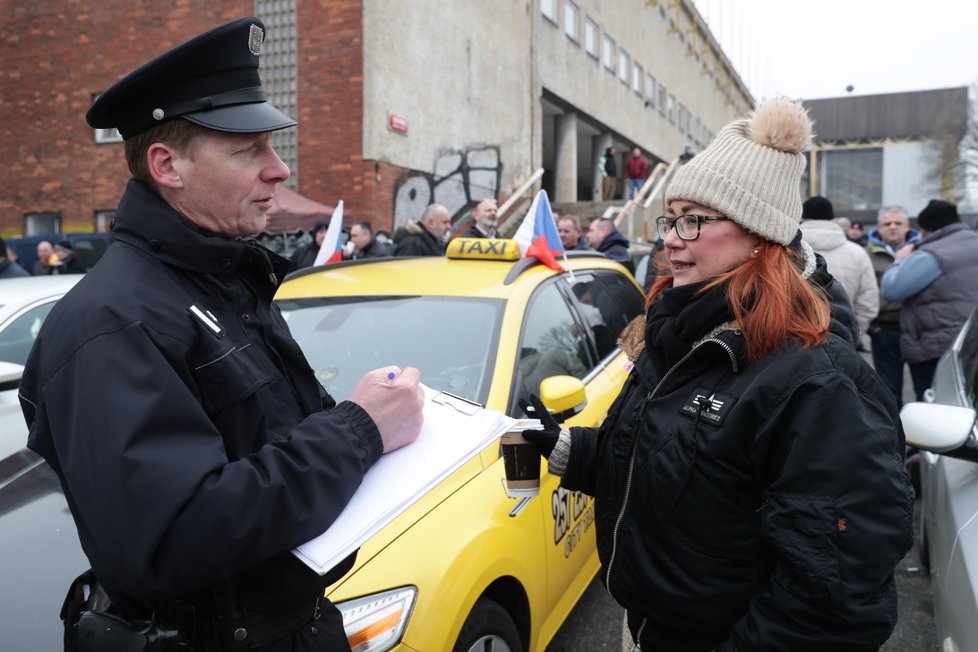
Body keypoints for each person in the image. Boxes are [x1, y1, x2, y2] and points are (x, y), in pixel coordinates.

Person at [19, 17, 424, 651]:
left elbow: (269, 447)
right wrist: (359, 429)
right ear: (167, 165)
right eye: (249, 150)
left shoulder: (223, 281)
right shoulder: (112, 323)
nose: (279, 169)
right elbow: (177, 534)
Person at [521, 98, 913, 651]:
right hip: (646, 629)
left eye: (693, 219)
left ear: (759, 234)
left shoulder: (816, 382)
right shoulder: (675, 333)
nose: (670, 238)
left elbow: (833, 604)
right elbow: (675, 469)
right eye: (670, 218)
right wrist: (567, 449)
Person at [881, 198, 978, 400]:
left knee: (935, 408)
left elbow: (892, 289)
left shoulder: (931, 254)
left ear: (927, 229)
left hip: (938, 347)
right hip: (970, 342)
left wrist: (900, 261)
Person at [799, 195, 878, 347]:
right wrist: (851, 334)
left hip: (791, 344)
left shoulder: (783, 251)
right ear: (832, 218)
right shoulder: (858, 253)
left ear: (802, 216)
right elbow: (869, 301)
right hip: (843, 342)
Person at [866, 205, 920, 407]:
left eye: (898, 223)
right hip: (885, 332)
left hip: (918, 331)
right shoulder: (867, 255)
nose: (893, 227)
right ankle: (896, 436)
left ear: (907, 226)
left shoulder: (921, 253)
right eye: (887, 223)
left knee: (925, 391)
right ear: (879, 227)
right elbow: (865, 295)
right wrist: (874, 329)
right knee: (889, 393)